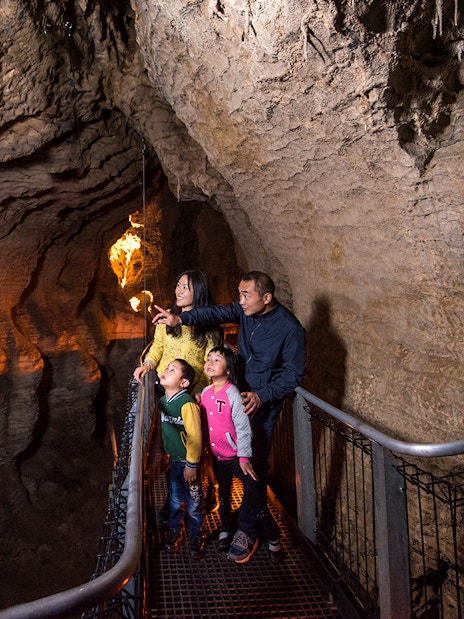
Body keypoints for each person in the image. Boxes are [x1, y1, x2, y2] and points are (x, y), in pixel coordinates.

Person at [153, 270, 306, 562]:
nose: (240, 301)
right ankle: (232, 522)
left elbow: (294, 374)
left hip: (258, 405)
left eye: (246, 295)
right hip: (233, 395)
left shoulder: (290, 329)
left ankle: (247, 531)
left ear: (267, 297)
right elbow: (214, 312)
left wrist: (263, 395)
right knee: (226, 463)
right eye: (239, 294)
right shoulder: (244, 311)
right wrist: (180, 319)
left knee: (252, 468)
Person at [133, 269, 221, 514]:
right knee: (173, 443)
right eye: (178, 285)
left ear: (198, 293)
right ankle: (176, 499)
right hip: (167, 390)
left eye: (186, 287)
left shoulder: (208, 326)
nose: (179, 291)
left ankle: (208, 486)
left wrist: (201, 390)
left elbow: (210, 363)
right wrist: (147, 365)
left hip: (194, 394)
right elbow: (157, 348)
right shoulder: (167, 318)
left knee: (198, 444)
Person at [201, 345, 260, 563]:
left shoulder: (232, 394)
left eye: (216, 360)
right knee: (223, 493)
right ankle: (226, 527)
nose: (210, 362)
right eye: (209, 359)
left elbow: (243, 427)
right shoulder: (206, 393)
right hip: (217, 457)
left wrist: (244, 457)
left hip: (235, 455)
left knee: (252, 487)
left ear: (228, 371)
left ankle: (245, 529)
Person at [158, 358, 205, 559]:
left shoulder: (187, 405)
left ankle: (196, 535)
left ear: (184, 383)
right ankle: (175, 529)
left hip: (189, 463)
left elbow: (195, 436)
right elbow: (164, 432)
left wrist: (192, 464)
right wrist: (163, 453)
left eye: (172, 369)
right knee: (176, 498)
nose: (166, 370)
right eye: (167, 368)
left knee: (194, 501)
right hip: (174, 460)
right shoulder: (162, 402)